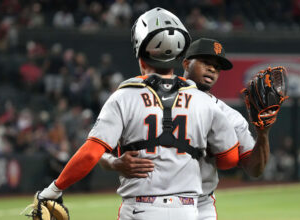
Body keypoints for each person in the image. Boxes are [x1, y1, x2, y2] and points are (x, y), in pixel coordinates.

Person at [37, 8, 239, 220]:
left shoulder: (124, 97)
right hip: (188, 210)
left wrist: (54, 189)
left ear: (141, 56)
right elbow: (230, 160)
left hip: (141, 208)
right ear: (180, 57)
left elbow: (90, 154)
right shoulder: (204, 101)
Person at [100, 38, 272, 220]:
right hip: (148, 202)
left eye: (217, 67)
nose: (212, 69)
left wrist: (263, 133)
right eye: (206, 62)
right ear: (186, 63)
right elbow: (100, 152)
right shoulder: (143, 100)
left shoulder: (229, 116)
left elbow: (255, 170)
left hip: (201, 205)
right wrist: (114, 163)